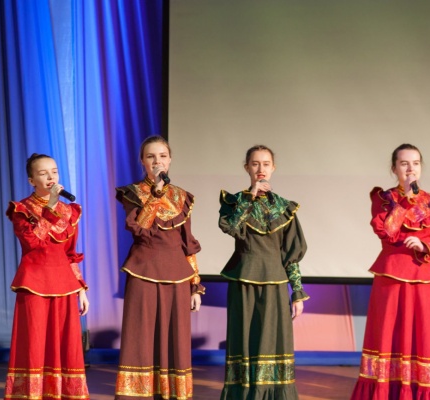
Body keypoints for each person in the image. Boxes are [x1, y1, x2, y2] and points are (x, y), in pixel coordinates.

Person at [350, 143, 430, 400]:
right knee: (390, 334)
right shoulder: (383, 199)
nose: (411, 169)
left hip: (426, 279)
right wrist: (405, 200)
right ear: (394, 168)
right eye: (404, 164)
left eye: (415, 163)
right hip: (392, 278)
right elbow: (387, 232)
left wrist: (426, 246)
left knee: (426, 336)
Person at [114, 135, 204, 399]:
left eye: (162, 156)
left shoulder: (182, 197)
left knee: (175, 339)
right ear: (142, 161)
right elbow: (140, 229)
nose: (157, 162)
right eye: (151, 157)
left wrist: (195, 285)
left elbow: (188, 243)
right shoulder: (132, 193)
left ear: (170, 159)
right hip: (143, 270)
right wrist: (155, 194)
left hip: (177, 275)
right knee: (140, 337)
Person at [219, 145, 309, 400]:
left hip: (275, 284)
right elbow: (231, 227)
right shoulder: (235, 201)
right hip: (243, 281)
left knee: (272, 342)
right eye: (255, 163)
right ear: (247, 167)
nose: (261, 169)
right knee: (244, 341)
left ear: (273, 168)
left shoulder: (284, 208)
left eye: (266, 164)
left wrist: (297, 292)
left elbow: (290, 254)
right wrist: (250, 197)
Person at [4, 153, 90, 399]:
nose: (51, 176)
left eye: (54, 171)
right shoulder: (21, 209)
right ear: (32, 181)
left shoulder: (70, 211)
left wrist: (81, 289)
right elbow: (32, 242)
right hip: (34, 284)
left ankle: (62, 393)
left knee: (65, 344)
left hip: (65, 284)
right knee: (34, 342)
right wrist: (50, 206)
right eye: (43, 173)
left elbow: (70, 254)